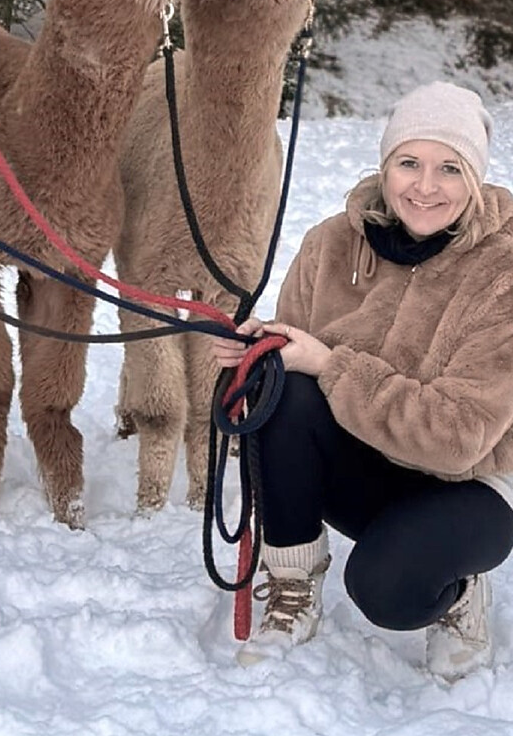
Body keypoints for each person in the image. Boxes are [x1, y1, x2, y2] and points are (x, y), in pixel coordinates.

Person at [213, 80, 513, 680]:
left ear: (475, 179)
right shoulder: (330, 244)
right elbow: (289, 382)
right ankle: (293, 585)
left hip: (470, 485)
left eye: (449, 168)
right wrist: (254, 356)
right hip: (367, 458)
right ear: (385, 165)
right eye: (409, 163)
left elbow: (459, 437)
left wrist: (330, 364)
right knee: (280, 388)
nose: (425, 187)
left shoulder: (502, 270)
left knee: (386, 590)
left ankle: (458, 592)